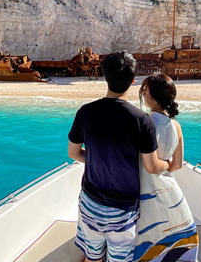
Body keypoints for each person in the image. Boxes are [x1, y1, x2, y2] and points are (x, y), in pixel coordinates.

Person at [68, 51, 170, 262]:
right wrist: (167, 164)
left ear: (105, 77)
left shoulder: (85, 112)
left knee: (92, 257)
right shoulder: (142, 121)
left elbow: (74, 153)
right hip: (122, 211)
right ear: (133, 81)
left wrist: (98, 158)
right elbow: (151, 166)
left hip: (90, 203)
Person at [134, 74, 199, 262]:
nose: (143, 95)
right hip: (170, 191)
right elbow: (177, 164)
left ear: (153, 97)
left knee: (145, 238)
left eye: (145, 92)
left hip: (145, 192)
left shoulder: (144, 122)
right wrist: (165, 165)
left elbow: (145, 164)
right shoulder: (176, 126)